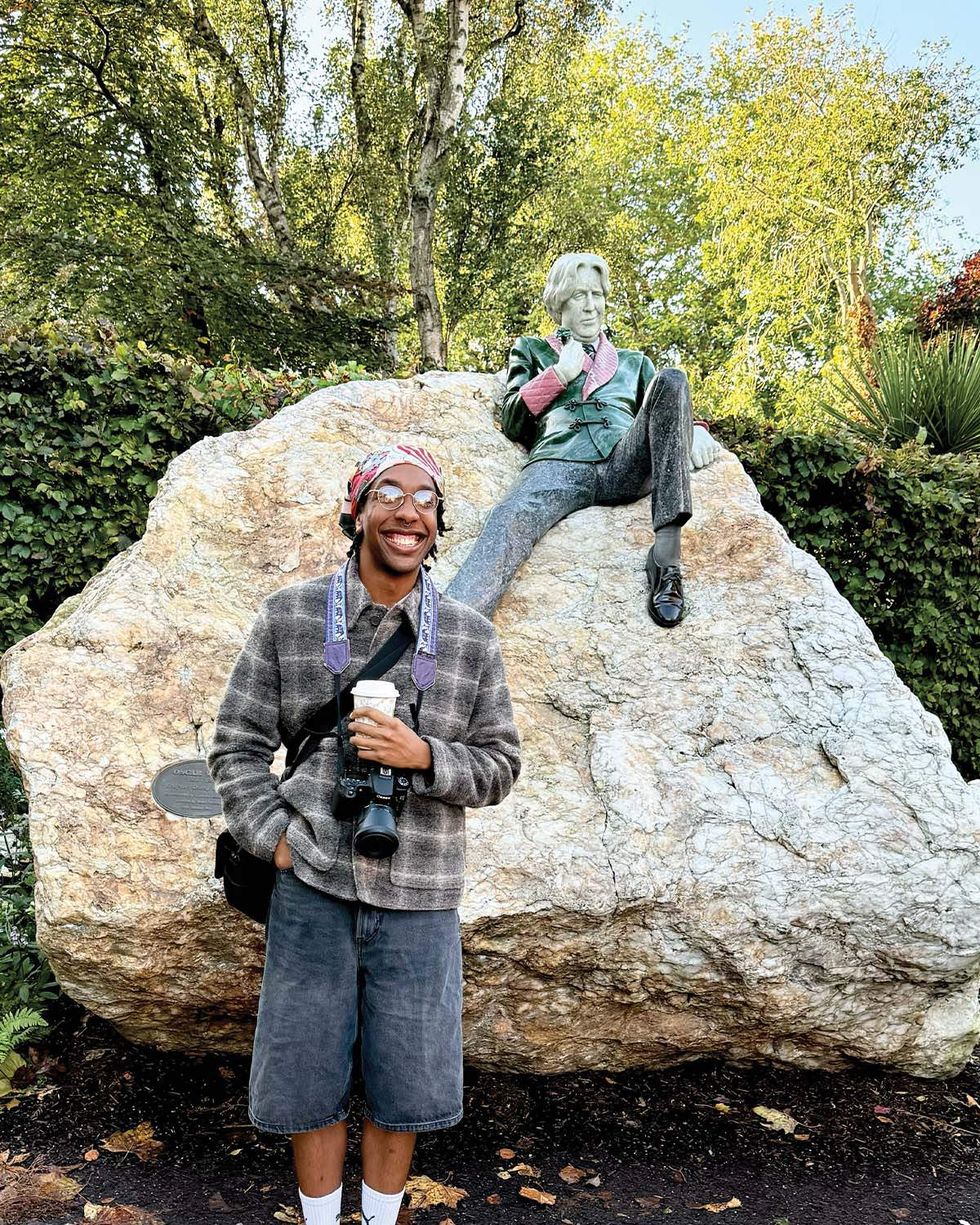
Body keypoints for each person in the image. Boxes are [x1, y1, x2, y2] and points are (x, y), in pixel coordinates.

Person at [207, 444, 521, 1225]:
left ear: (439, 527)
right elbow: (236, 745)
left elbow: (501, 765)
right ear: (356, 512)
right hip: (311, 882)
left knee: (405, 1083)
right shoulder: (291, 615)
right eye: (388, 494)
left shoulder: (471, 638)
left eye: (425, 500)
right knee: (307, 1076)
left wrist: (425, 757)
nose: (407, 511)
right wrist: (277, 839)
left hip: (422, 893)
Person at [446, 251, 722, 625]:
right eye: (579, 296)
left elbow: (663, 409)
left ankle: (666, 559)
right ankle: (451, 626)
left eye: (597, 295)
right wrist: (558, 374)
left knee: (673, 377)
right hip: (558, 461)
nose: (591, 307)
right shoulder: (531, 349)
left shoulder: (634, 362)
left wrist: (695, 429)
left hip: (625, 462)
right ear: (560, 302)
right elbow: (513, 420)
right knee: (509, 518)